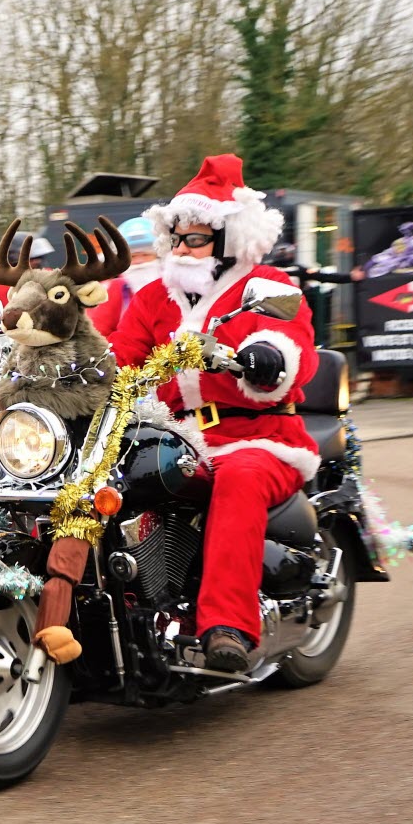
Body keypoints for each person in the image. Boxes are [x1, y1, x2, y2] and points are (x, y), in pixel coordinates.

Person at [109, 153, 320, 673]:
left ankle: (229, 624)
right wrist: (68, 363)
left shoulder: (265, 286)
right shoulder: (157, 296)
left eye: (195, 239)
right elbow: (122, 353)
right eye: (176, 238)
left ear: (226, 241)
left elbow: (293, 344)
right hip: (178, 435)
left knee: (240, 479)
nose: (181, 248)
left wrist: (269, 358)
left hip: (259, 436)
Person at [0, 232, 54, 349]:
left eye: (39, 257)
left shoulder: (51, 277)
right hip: (13, 345)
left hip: (51, 340)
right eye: (32, 258)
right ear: (14, 257)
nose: (37, 261)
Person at [90, 217, 164, 336]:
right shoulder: (112, 290)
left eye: (146, 255)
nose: (139, 261)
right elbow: (97, 334)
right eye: (133, 257)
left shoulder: (175, 287)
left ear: (160, 256)